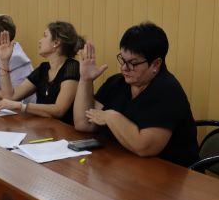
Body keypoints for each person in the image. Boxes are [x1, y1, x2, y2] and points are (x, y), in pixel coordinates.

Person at [73, 22, 199, 166]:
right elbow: (84, 124)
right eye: (122, 60)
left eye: (133, 63)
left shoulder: (168, 91)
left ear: (156, 64)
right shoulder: (117, 83)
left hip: (171, 173)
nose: (124, 68)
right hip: (124, 164)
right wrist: (85, 80)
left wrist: (111, 117)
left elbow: (145, 148)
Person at [0, 21, 83, 124]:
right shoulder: (43, 68)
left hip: (64, 129)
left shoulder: (72, 67)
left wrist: (21, 106)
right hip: (44, 126)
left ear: (56, 43)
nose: (40, 41)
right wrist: (4, 61)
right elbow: (10, 96)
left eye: (45, 36)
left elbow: (59, 110)